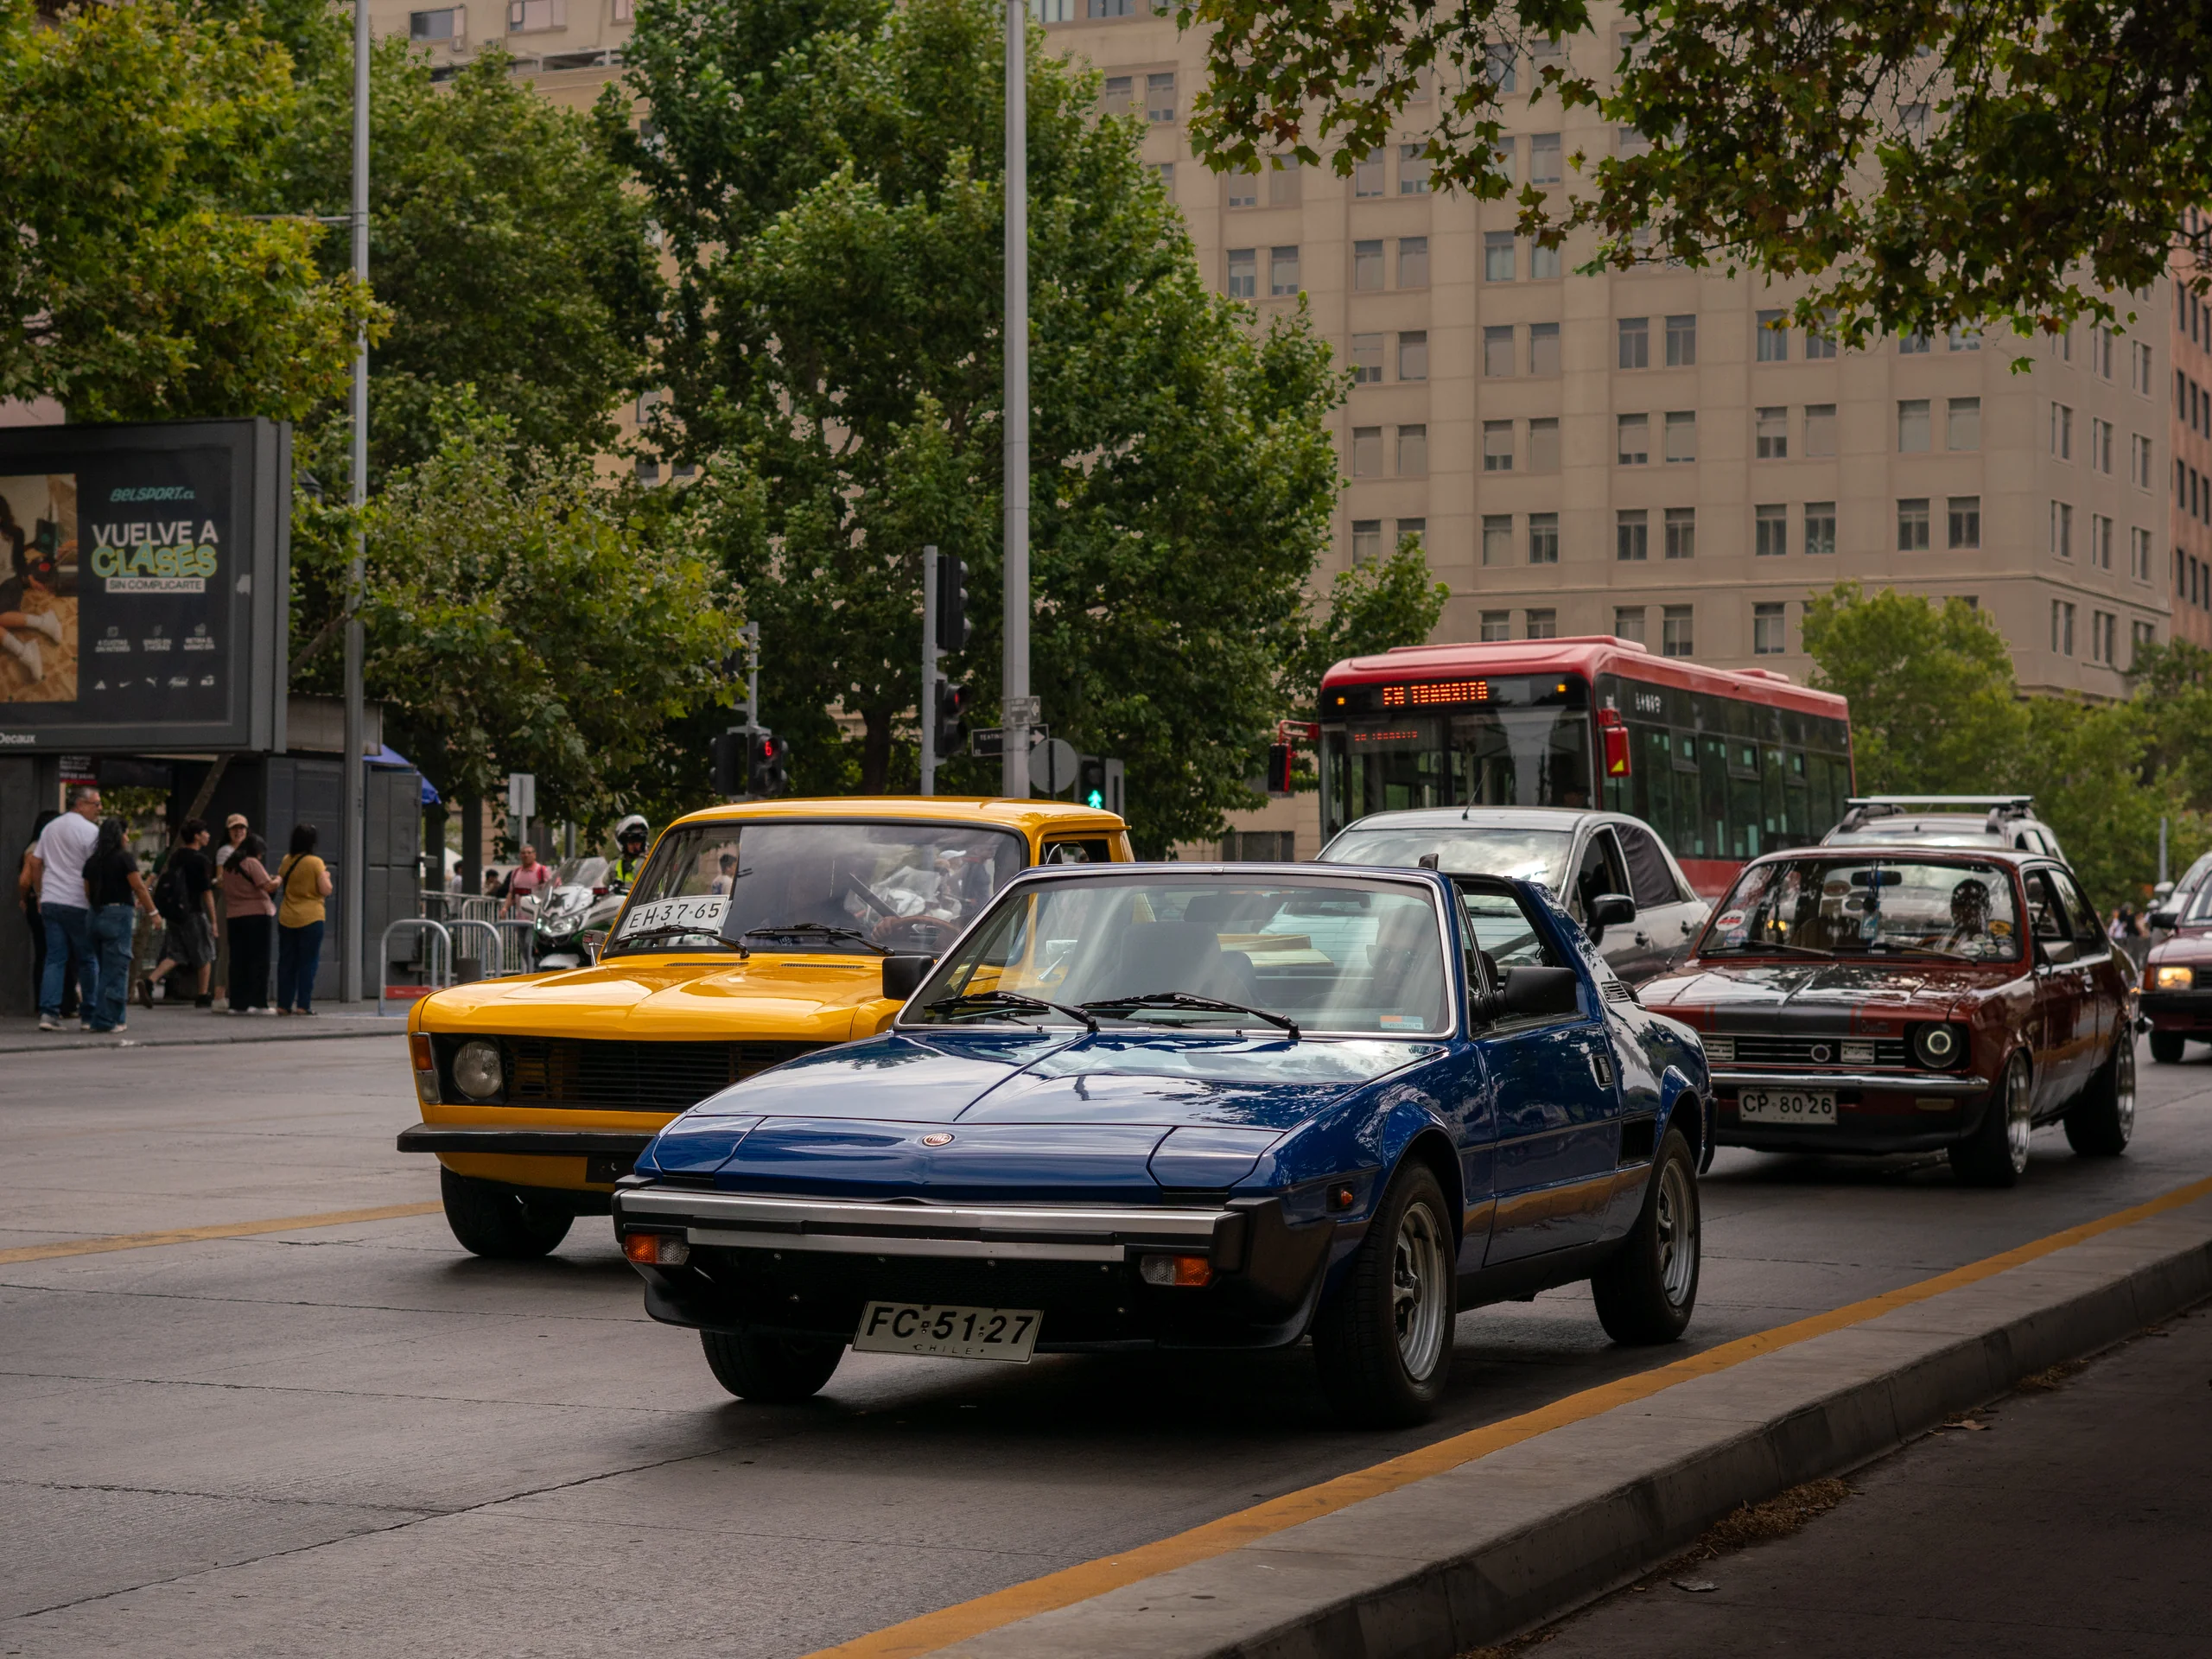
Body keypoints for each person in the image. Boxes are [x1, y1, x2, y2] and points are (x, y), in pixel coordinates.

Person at [27, 784, 102, 1031]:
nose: (99, 809)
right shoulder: (90, 831)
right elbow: (94, 869)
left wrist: (40, 893)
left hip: (51, 900)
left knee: (54, 958)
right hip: (78, 902)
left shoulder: (51, 828)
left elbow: (36, 862)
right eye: (95, 804)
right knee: (87, 959)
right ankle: (89, 1014)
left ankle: (49, 1013)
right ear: (80, 804)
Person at [81, 817, 156, 1033]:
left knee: (105, 969)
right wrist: (154, 912)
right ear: (118, 836)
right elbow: (139, 888)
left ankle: (111, 1016)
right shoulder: (124, 859)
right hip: (118, 915)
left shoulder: (92, 862)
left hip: (95, 916)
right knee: (117, 971)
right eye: (124, 833)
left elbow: (87, 892)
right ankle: (108, 1020)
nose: (126, 837)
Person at [148, 818, 219, 1009]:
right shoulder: (200, 860)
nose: (208, 835)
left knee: (177, 953)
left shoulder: (176, 856)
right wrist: (213, 921)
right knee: (206, 953)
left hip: (174, 913)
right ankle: (203, 995)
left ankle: (149, 981)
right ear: (196, 836)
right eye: (205, 832)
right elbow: (206, 892)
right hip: (193, 911)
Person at [16, 808, 78, 1021]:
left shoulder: (35, 847)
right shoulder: (37, 849)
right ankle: (61, 1004)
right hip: (48, 903)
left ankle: (45, 1004)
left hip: (39, 905)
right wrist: (36, 894)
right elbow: (25, 880)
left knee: (46, 954)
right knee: (58, 954)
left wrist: (26, 898)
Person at [275, 822, 334, 1015]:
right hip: (311, 917)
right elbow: (325, 890)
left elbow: (280, 880)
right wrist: (326, 876)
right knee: (308, 963)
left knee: (287, 962)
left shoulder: (287, 860)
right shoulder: (315, 863)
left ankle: (283, 1004)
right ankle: (303, 1005)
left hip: (287, 917)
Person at [220, 831, 280, 1014]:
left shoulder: (228, 866)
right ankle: (259, 1002)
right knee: (259, 960)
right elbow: (268, 886)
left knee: (238, 961)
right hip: (257, 916)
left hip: (234, 917)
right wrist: (279, 879)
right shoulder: (251, 863)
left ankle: (238, 1003)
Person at [504, 844, 555, 917]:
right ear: (520, 856)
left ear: (534, 855)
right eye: (523, 853)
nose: (526, 855)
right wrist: (505, 908)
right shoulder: (516, 872)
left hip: (537, 917)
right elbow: (511, 893)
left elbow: (550, 891)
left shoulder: (542, 871)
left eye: (529, 853)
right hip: (520, 918)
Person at [610, 814, 650, 887]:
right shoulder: (614, 864)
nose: (635, 845)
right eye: (631, 842)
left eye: (638, 841)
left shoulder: (648, 863)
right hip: (618, 898)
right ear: (624, 843)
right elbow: (602, 885)